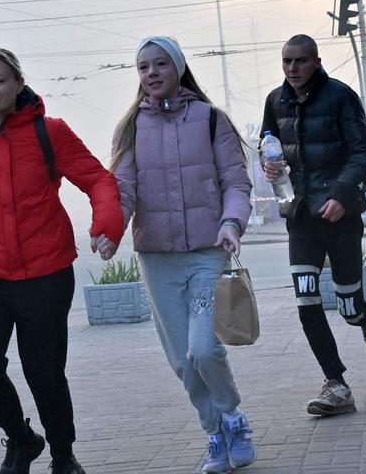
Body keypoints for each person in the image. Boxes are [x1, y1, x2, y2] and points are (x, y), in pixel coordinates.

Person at [0, 47, 123, 474]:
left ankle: (63, 454)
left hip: (45, 272)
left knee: (45, 373)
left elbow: (97, 179)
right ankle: (21, 438)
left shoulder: (49, 132)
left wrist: (106, 223)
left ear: (17, 83)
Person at [109, 37, 256, 474]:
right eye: (142, 67)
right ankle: (214, 433)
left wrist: (231, 223)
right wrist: (109, 229)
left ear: (178, 67)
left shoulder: (212, 120)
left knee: (204, 348)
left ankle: (233, 417)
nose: (151, 73)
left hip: (208, 252)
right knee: (181, 360)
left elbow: (236, 181)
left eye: (159, 64)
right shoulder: (131, 126)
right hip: (157, 258)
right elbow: (122, 189)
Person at [260, 34, 366, 417]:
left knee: (349, 304)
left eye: (300, 61)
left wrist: (340, 194)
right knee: (306, 301)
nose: (292, 69)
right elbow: (268, 140)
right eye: (286, 61)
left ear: (316, 61)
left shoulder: (340, 96)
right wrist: (270, 162)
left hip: (340, 215)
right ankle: (336, 384)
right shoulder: (275, 100)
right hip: (300, 216)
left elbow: (365, 151)